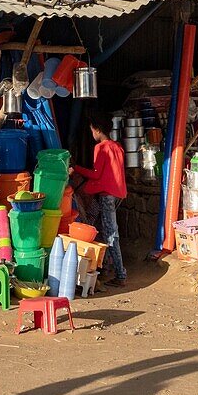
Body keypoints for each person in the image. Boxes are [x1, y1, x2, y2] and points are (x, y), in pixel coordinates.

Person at [73, 113, 128, 287]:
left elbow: (96, 174)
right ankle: (107, 267)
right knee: (102, 227)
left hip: (107, 195)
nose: (92, 134)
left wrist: (77, 168)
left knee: (111, 234)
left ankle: (120, 274)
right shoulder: (117, 147)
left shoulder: (101, 148)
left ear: (97, 130)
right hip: (118, 194)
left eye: (92, 130)